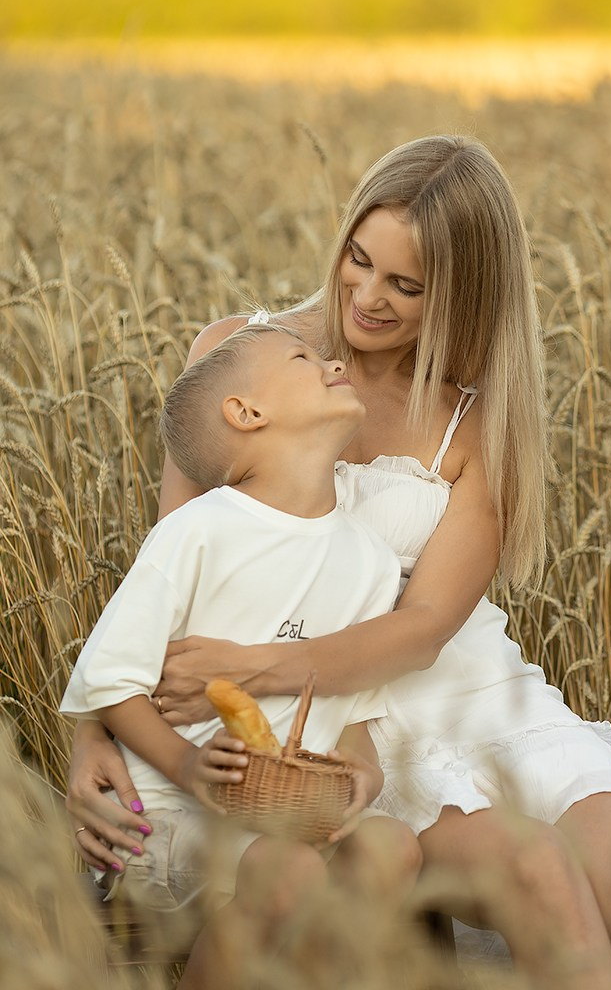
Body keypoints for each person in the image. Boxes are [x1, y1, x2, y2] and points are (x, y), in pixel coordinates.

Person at [67, 136, 611, 990]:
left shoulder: (477, 413)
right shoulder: (243, 358)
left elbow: (428, 628)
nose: (365, 296)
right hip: (337, 708)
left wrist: (261, 667)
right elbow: (172, 575)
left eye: (405, 285)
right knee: (536, 869)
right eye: (358, 259)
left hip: (449, 678)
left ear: (461, 294)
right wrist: (94, 734)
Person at [61, 321, 422, 990]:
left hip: (293, 819)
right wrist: (189, 764)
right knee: (289, 874)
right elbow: (110, 680)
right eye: (302, 357)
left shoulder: (369, 562)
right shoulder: (200, 532)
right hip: (168, 812)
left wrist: (363, 781)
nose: (330, 361)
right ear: (247, 412)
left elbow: (358, 712)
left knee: (392, 848)